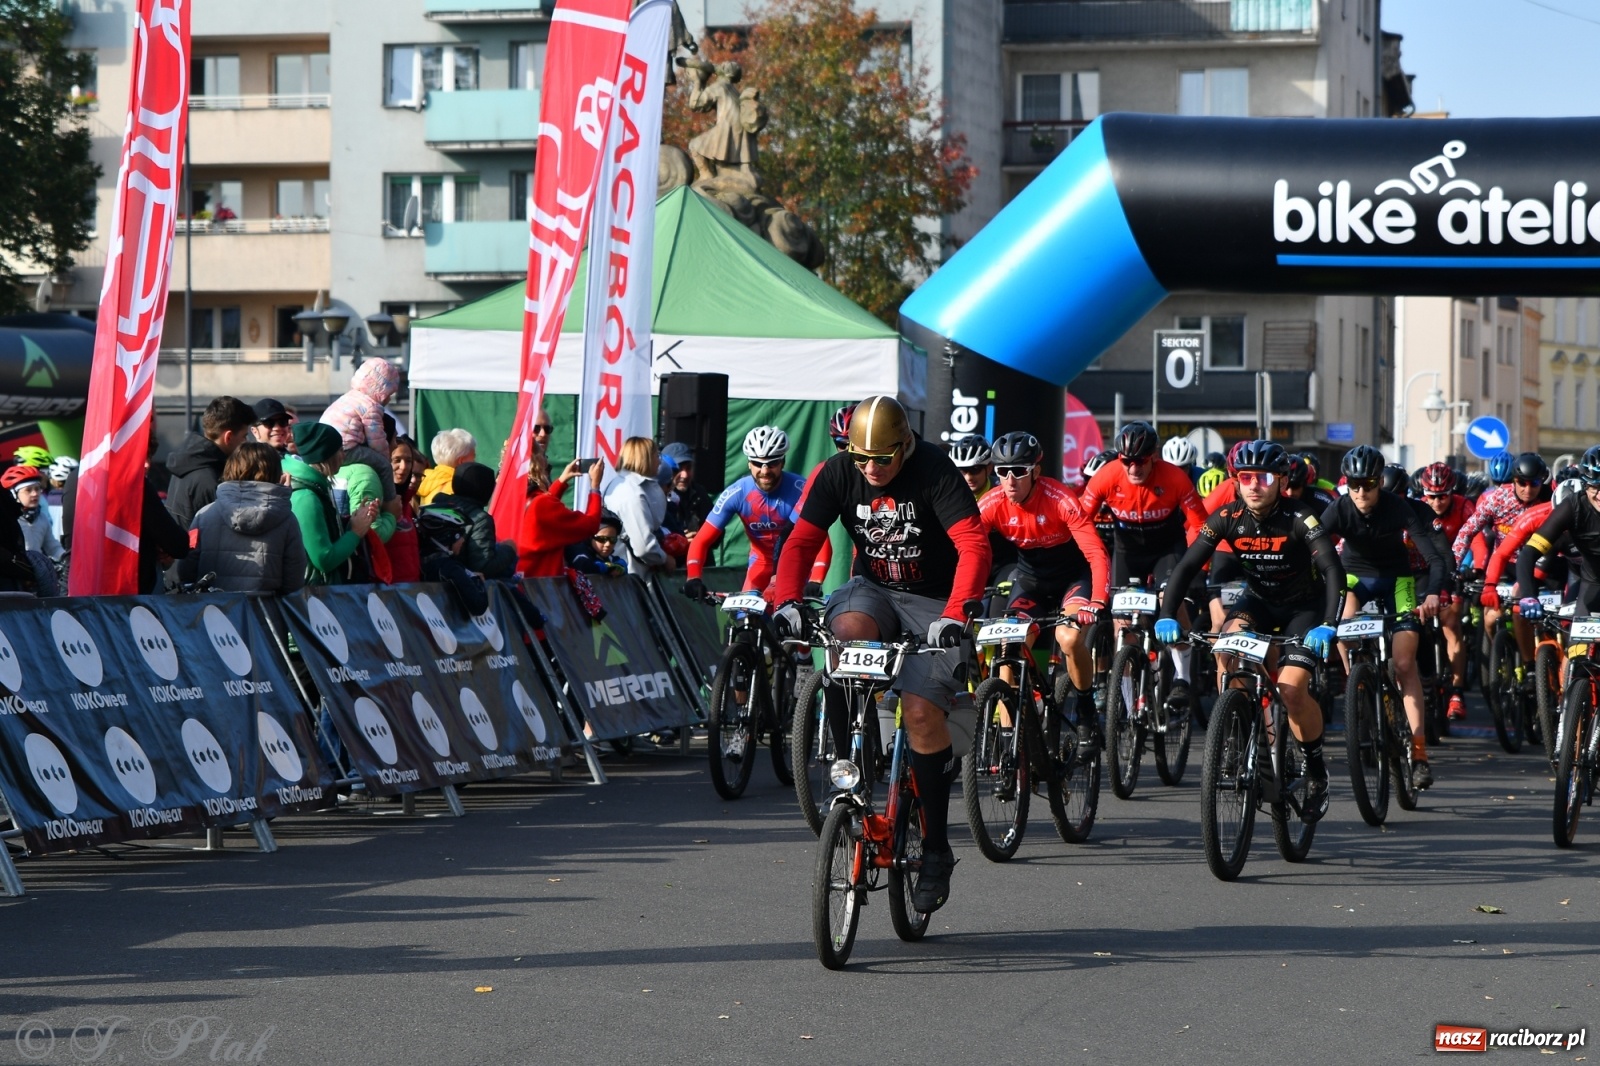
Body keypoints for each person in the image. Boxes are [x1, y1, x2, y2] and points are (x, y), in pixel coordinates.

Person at [771, 395, 991, 914]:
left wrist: (956, 613)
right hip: (873, 591)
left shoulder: (934, 470)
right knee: (844, 636)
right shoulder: (838, 472)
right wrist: (786, 601)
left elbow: (974, 545)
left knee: (919, 713)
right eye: (860, 457)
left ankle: (935, 847)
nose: (870, 469)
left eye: (882, 459)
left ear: (905, 445)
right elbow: (801, 542)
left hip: (935, 603)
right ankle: (856, 762)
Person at [1157, 440, 1343, 821]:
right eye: (1246, 478)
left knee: (1291, 690)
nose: (1254, 485)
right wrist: (1167, 614)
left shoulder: (1301, 517)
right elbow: (1187, 566)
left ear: (1281, 481)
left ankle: (1315, 770)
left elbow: (1331, 569)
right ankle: (1237, 730)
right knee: (1225, 651)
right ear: (1236, 481)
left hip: (1303, 608)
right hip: (1258, 600)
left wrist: (1329, 624)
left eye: (1264, 478)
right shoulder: (1226, 517)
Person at [1321, 444, 1446, 790]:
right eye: (1354, 485)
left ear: (1380, 483)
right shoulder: (1338, 509)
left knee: (1404, 664)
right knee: (1343, 625)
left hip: (1397, 580)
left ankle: (1419, 753)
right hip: (1353, 577)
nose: (1361, 492)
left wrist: (1432, 593)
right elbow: (1309, 547)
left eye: (1369, 485)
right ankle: (1356, 682)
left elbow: (1433, 558)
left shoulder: (1397, 507)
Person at [977, 430, 1110, 751]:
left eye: (1019, 471)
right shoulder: (992, 503)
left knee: (1069, 638)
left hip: (1071, 579)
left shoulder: (1060, 499)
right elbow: (966, 551)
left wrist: (1097, 601)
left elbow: (1096, 553)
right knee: (1008, 650)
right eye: (1002, 471)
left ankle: (1085, 710)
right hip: (1030, 582)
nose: (1010, 480)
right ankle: (1009, 743)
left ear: (1036, 471)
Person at [1078, 420, 1208, 704]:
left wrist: (1195, 566)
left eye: (1141, 461)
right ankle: (1126, 706)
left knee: (1171, 601)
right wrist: (1087, 555)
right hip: (1128, 552)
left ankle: (1182, 678)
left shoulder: (1175, 478)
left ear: (1154, 456)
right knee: (1122, 626)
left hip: (1166, 550)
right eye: (1127, 461)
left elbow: (1200, 525)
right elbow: (1080, 521)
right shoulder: (1107, 476)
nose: (1133, 468)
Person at [682, 426, 830, 599]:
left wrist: (815, 580)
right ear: (749, 464)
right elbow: (701, 540)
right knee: (744, 613)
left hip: (794, 564)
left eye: (772, 463)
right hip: (760, 564)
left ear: (783, 462)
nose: (765, 471)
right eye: (758, 464)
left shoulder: (801, 490)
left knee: (787, 611)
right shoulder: (737, 493)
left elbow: (821, 539)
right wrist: (693, 577)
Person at [182, 441, 307, 594]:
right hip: (264, 606)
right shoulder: (286, 519)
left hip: (213, 606)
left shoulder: (204, 515)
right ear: (275, 471)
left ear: (232, 467)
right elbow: (294, 580)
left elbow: (187, 569)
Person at [1517, 447, 1600, 631]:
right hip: (1593, 583)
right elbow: (1529, 553)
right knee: (1577, 645)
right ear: (1585, 484)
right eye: (1595, 487)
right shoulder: (1573, 506)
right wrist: (1528, 595)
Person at [284, 422, 378, 586]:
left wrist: (352, 524)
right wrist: (355, 532)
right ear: (325, 455)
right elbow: (324, 559)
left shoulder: (315, 486)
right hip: (312, 595)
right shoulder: (306, 497)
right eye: (340, 450)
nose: (344, 455)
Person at [1417, 462, 1476, 720]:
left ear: (1452, 492)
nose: (1437, 502)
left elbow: (1476, 539)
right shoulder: (1418, 508)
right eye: (1431, 496)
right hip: (1427, 570)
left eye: (1442, 496)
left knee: (1451, 624)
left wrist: (1470, 567)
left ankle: (1456, 692)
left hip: (1458, 567)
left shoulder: (1464, 507)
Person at [166, 395, 257, 528]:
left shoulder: (187, 462)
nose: (246, 441)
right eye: (244, 436)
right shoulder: (210, 479)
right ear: (228, 437)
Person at [518, 454, 605, 578]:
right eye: (547, 466)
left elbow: (539, 506)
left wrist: (561, 481)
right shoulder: (542, 504)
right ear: (540, 470)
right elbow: (591, 525)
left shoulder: (516, 497)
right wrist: (595, 487)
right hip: (540, 582)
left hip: (519, 579)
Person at [432, 461, 518, 579]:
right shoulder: (481, 520)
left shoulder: (437, 504)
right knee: (507, 547)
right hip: (461, 580)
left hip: (433, 574)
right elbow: (483, 567)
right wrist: (510, 549)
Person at [602, 437, 671, 577]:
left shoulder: (619, 484)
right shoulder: (632, 493)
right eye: (656, 455)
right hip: (631, 577)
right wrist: (665, 559)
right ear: (645, 458)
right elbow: (644, 547)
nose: (659, 461)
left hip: (625, 574)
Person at [388, 435, 427, 582]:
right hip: (385, 591)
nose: (404, 467)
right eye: (397, 460)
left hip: (410, 590)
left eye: (408, 461)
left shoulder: (407, 504)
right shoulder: (379, 499)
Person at [4, 466, 62, 562]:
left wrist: (66, 557)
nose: (35, 494)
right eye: (28, 490)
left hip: (37, 567)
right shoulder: (8, 521)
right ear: (14, 494)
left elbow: (53, 547)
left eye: (37, 489)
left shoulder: (42, 518)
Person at [419, 428, 475, 504]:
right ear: (461, 461)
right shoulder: (458, 488)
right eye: (473, 456)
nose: (475, 461)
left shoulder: (426, 481)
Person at [567, 511, 627, 576]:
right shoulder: (577, 549)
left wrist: (619, 567)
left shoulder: (604, 555)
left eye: (613, 540)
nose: (608, 544)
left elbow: (622, 562)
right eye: (602, 539)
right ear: (590, 537)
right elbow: (583, 566)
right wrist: (608, 568)